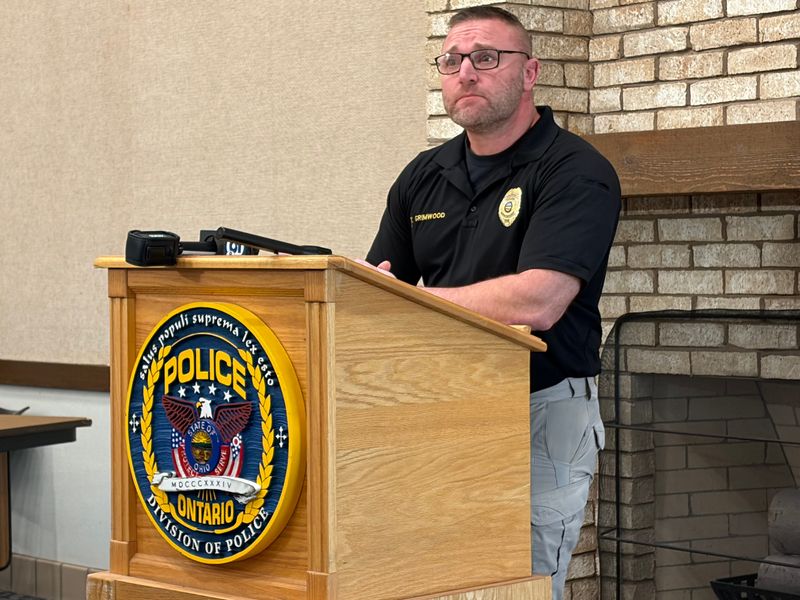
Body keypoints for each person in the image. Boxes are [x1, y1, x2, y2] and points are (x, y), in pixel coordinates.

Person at [365, 6, 620, 600]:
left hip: (542, 407)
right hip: (441, 406)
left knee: (524, 583)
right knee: (442, 577)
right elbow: (380, 289)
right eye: (452, 61)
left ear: (529, 72)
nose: (465, 73)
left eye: (485, 57)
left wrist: (419, 301)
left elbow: (539, 299)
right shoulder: (422, 176)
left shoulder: (575, 171)